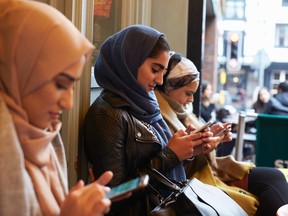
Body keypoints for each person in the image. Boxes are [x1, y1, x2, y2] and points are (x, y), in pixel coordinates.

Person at [0, 1, 117, 215]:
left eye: (72, 86)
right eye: (60, 84)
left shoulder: (43, 137)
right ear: (18, 69)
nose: (68, 103)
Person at [83, 25, 211, 216]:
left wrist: (189, 149)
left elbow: (157, 168)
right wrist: (170, 155)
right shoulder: (107, 115)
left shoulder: (144, 103)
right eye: (155, 69)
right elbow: (113, 197)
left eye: (163, 71)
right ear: (129, 61)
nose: (160, 80)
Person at [154, 52, 288, 216]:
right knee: (267, 189)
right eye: (188, 93)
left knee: (273, 177)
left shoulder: (179, 113)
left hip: (208, 172)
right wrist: (202, 148)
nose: (191, 100)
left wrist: (211, 142)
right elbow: (174, 168)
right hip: (197, 181)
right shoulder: (159, 116)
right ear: (169, 87)